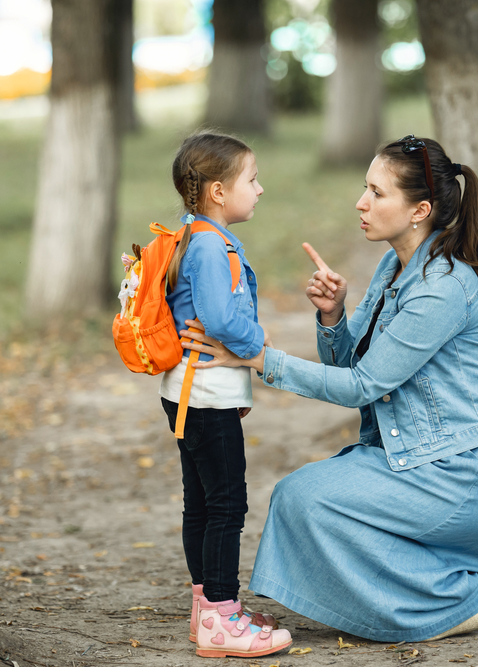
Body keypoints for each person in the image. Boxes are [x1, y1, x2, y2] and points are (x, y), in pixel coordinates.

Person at [180, 135, 478, 643]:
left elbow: (361, 385)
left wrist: (259, 359)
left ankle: (448, 603)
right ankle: (438, 583)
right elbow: (355, 364)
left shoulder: (444, 287)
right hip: (415, 457)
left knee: (307, 499)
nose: (360, 203)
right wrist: (333, 316)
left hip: (463, 474)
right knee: (302, 499)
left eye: (376, 193)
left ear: (420, 210)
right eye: (364, 188)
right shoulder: (396, 266)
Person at [160, 132, 292, 658]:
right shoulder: (212, 246)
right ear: (217, 191)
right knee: (226, 506)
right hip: (207, 393)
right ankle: (221, 617)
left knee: (202, 504)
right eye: (252, 179)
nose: (260, 189)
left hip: (187, 391)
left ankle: (205, 610)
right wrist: (258, 346)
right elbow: (219, 319)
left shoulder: (192, 236)